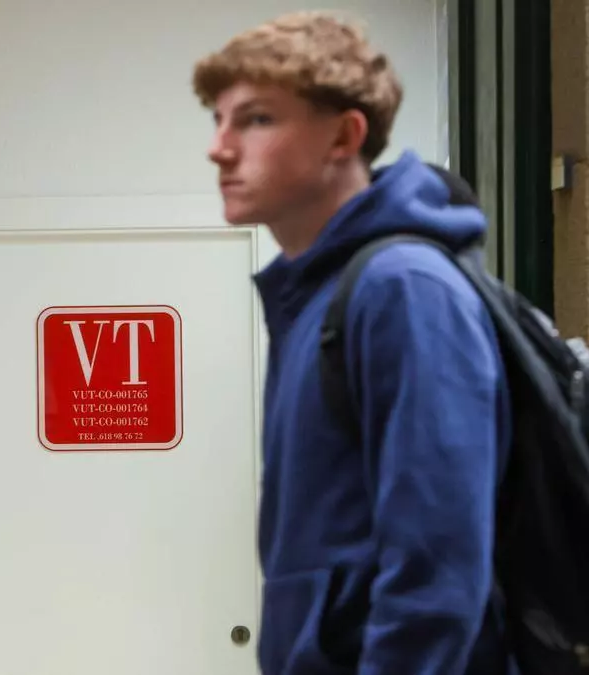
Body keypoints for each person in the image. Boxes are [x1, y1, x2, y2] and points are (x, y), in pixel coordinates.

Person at [193, 12, 517, 675]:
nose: (219, 149)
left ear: (345, 135)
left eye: (256, 120)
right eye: (219, 120)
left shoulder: (402, 289)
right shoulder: (315, 296)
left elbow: (436, 570)